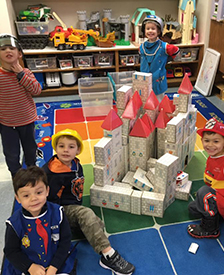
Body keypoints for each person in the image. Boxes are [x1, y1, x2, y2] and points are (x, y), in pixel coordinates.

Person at [42, 129, 135, 275]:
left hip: (72, 207)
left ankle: (79, 229)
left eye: (71, 147)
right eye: (61, 146)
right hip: (59, 211)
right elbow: (49, 203)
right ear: (55, 148)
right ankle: (108, 255)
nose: (66, 150)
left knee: (98, 226)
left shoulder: (76, 164)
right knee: (86, 214)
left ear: (78, 150)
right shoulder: (53, 172)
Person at [4, 166, 76, 275]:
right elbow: (11, 251)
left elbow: (65, 242)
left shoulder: (58, 213)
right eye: (26, 195)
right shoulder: (14, 223)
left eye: (38, 192)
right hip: (29, 267)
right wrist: (30, 266)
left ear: (47, 191)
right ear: (18, 198)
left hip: (58, 264)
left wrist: (54, 267)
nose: (34, 199)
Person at [0, 33, 42, 178]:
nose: (8, 51)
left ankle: (32, 172)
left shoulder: (26, 73)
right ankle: (17, 178)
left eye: (11, 48)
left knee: (30, 149)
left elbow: (36, 90)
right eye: (3, 48)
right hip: (7, 123)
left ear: (19, 54)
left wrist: (20, 75)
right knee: (11, 154)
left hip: (26, 120)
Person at [139, 15, 180, 101]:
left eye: (153, 29)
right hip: (144, 80)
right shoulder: (141, 47)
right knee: (145, 102)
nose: (150, 31)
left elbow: (176, 50)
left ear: (158, 31)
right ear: (144, 30)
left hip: (158, 81)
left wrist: (167, 60)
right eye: (148, 28)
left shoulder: (165, 46)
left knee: (158, 102)